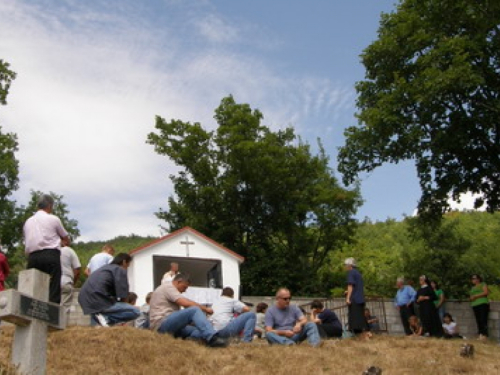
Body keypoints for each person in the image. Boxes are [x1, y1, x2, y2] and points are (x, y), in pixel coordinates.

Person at [149, 273, 228, 347]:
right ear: (178, 282)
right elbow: (185, 303)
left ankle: (193, 340)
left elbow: (185, 309)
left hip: (170, 325)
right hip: (161, 324)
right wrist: (206, 309)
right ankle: (212, 339)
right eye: (184, 287)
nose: (185, 290)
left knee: (198, 330)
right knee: (194, 310)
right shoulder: (168, 287)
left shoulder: (169, 290)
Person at [23, 194, 70, 303]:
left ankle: (31, 309)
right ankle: (52, 311)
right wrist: (63, 243)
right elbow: (66, 238)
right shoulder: (53, 219)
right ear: (49, 205)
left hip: (32, 257)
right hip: (50, 255)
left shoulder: (28, 222)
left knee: (33, 289)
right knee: (54, 286)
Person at [78, 253, 140, 327]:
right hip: (99, 300)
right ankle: (106, 318)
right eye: (127, 265)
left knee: (98, 318)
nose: (127, 268)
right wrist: (125, 307)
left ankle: (102, 320)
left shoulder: (104, 268)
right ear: (124, 262)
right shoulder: (119, 269)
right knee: (135, 311)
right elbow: (123, 294)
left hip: (85, 300)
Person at [344, 257, 371, 339]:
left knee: (355, 318)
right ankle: (367, 332)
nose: (345, 266)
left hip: (355, 299)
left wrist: (348, 297)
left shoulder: (351, 273)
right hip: (360, 298)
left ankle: (363, 334)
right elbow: (357, 286)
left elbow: (350, 285)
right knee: (361, 317)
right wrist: (347, 291)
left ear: (350, 265)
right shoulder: (358, 273)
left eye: (346, 265)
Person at [60, 243, 81, 312]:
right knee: (64, 311)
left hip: (53, 283)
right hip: (66, 280)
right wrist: (73, 283)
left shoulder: (51, 251)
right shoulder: (69, 250)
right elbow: (77, 270)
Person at [469, 274, 489, 340]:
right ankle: (480, 334)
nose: (473, 280)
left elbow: (486, 292)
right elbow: (471, 296)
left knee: (483, 319)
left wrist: (476, 296)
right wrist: (471, 298)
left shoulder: (483, 284)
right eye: (472, 278)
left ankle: (484, 335)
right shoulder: (472, 288)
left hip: (482, 303)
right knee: (478, 320)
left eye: (474, 278)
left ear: (478, 279)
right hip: (475, 304)